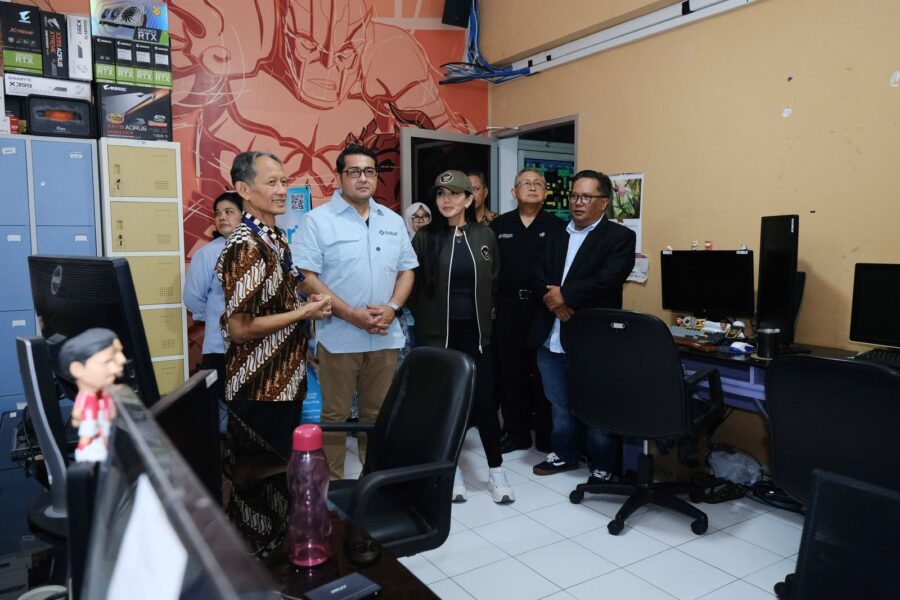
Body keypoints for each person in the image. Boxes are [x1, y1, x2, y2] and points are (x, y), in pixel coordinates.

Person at [216, 151, 332, 554]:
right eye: (272, 182)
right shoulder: (245, 246)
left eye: (284, 181)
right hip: (259, 387)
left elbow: (289, 287)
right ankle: (254, 563)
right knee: (255, 490)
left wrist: (311, 301)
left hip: (284, 382)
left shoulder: (275, 236)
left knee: (278, 485)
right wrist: (303, 312)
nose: (282, 189)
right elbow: (240, 327)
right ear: (244, 190)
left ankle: (276, 557)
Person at [296, 145, 418, 479]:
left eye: (369, 171)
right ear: (340, 177)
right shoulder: (317, 220)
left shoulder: (392, 220)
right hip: (339, 337)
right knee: (335, 416)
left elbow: (407, 270)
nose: (362, 178)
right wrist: (352, 314)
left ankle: (373, 481)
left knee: (377, 414)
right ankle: (332, 486)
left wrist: (392, 308)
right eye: (354, 172)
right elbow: (306, 277)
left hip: (385, 335)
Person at [408, 170, 514, 504]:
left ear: (469, 199)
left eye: (455, 194)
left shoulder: (485, 235)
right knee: (443, 405)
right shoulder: (425, 238)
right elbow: (411, 285)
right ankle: (449, 470)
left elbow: (494, 281)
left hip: (477, 335)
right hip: (437, 337)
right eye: (441, 194)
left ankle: (496, 471)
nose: (446, 200)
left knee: (484, 403)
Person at [528, 170, 636, 482]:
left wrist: (564, 296)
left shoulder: (619, 237)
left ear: (603, 202)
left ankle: (602, 465)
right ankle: (564, 454)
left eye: (586, 197)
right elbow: (535, 271)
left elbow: (608, 279)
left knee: (595, 405)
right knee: (559, 404)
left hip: (591, 338)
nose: (577, 202)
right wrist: (555, 302)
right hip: (550, 335)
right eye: (574, 196)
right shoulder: (555, 232)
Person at [491, 169, 566, 454]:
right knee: (511, 372)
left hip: (543, 308)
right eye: (525, 183)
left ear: (546, 193)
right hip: (508, 308)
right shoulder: (499, 226)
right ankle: (516, 432)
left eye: (538, 184)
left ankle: (547, 436)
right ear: (514, 192)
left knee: (545, 373)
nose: (532, 187)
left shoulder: (559, 227)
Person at [183, 191, 243, 432]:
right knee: (222, 410)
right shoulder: (207, 254)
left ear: (245, 215)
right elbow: (193, 298)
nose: (222, 217)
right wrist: (214, 318)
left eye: (229, 212)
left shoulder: (263, 247)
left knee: (251, 408)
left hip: (256, 345)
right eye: (218, 213)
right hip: (220, 347)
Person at [58, 328, 127, 463]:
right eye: (108, 361)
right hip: (96, 447)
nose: (122, 362)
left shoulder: (103, 394)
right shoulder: (89, 401)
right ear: (78, 369)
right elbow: (87, 429)